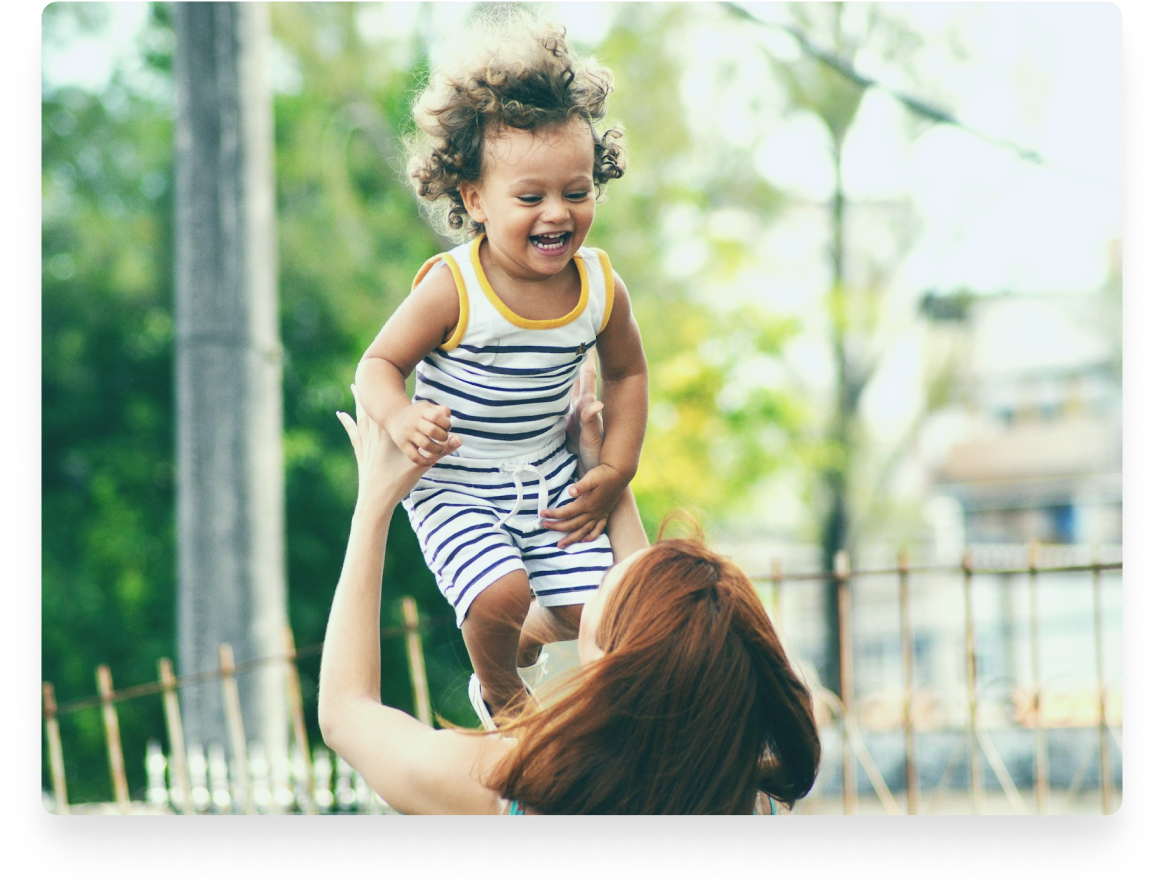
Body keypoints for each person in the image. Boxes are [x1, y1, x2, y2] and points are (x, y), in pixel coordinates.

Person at [319, 368, 822, 815]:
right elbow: (655, 631)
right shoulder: (745, 796)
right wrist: (600, 470)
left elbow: (347, 714)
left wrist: (374, 503)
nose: (605, 570)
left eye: (603, 587)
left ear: (609, 664)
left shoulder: (506, 788)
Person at [353, 13, 648, 729]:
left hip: (547, 476)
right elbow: (376, 364)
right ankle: (503, 698)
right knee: (496, 593)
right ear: (475, 199)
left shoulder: (600, 287)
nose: (557, 213)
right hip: (457, 479)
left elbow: (629, 375)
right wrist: (401, 416)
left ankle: (520, 637)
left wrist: (614, 470)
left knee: (598, 615)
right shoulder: (455, 288)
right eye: (530, 198)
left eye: (576, 192)